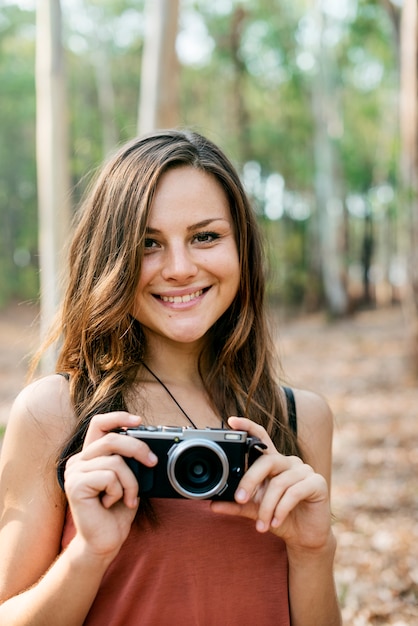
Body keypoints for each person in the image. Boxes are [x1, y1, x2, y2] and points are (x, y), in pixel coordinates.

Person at [0, 129, 341, 625]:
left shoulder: (300, 419)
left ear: (241, 246)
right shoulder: (56, 413)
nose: (179, 268)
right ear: (110, 258)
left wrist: (314, 551)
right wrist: (87, 555)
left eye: (205, 236)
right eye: (148, 243)